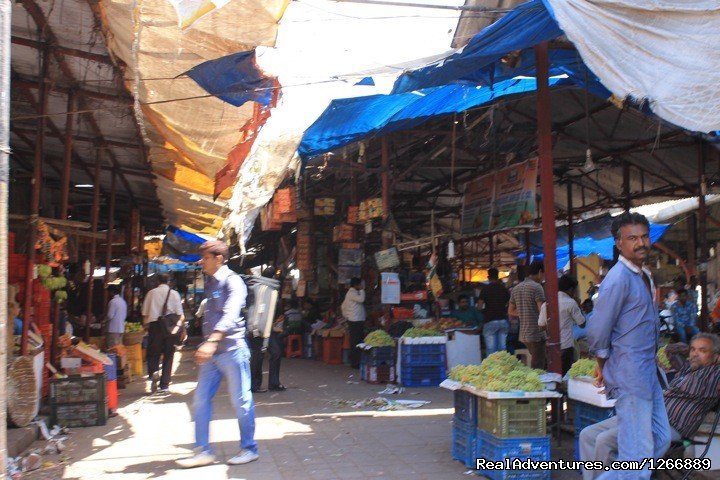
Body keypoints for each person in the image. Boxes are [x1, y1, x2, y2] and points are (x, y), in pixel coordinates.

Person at [588, 212, 671, 480]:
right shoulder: (618, 279)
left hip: (648, 372)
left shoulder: (644, 275)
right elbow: (598, 332)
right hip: (630, 374)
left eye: (644, 236)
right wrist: (603, 366)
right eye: (632, 238)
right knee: (637, 456)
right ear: (619, 243)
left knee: (661, 438)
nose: (640, 243)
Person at [580, 333, 720, 480]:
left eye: (703, 351)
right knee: (588, 434)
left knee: (605, 440)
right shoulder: (687, 369)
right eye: (693, 349)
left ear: (716, 356)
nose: (695, 354)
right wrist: (693, 353)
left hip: (669, 426)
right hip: (645, 414)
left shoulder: (715, 374)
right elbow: (671, 350)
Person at [177, 240, 258, 468]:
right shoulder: (211, 282)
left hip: (232, 350)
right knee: (200, 400)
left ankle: (249, 448)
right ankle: (203, 450)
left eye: (205, 258)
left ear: (219, 259)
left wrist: (211, 340)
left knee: (241, 401)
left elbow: (231, 313)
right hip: (212, 354)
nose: (201, 262)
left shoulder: (234, 282)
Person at [142, 273, 184, 394]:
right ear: (168, 281)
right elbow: (180, 314)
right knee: (169, 354)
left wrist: (146, 327)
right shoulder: (175, 294)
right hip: (170, 327)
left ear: (157, 281)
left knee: (153, 353)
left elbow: (145, 314)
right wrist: (182, 330)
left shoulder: (151, 293)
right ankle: (164, 385)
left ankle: (153, 372)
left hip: (154, 326)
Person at [538, 275, 585, 375]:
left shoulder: (546, 304)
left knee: (553, 375)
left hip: (550, 347)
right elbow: (582, 324)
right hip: (566, 346)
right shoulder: (571, 303)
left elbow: (541, 326)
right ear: (571, 289)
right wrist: (579, 306)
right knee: (565, 376)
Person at [508, 261, 546, 369]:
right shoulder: (537, 287)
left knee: (534, 361)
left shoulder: (516, 288)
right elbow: (542, 310)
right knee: (538, 364)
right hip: (536, 332)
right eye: (544, 274)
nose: (543, 277)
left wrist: (524, 312)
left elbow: (510, 311)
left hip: (523, 334)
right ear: (540, 272)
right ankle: (537, 383)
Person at [477, 268, 511, 356]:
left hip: (490, 321)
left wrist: (485, 311)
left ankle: (493, 369)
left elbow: (479, 307)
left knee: (491, 350)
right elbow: (510, 304)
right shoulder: (504, 289)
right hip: (503, 321)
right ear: (498, 276)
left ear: (488, 277)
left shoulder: (485, 289)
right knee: (502, 349)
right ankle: (503, 368)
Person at [341, 277, 366, 370]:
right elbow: (362, 299)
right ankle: (355, 362)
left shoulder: (352, 293)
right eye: (360, 284)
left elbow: (343, 306)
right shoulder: (351, 293)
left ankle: (355, 361)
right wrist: (363, 289)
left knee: (356, 341)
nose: (361, 286)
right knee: (356, 342)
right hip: (355, 320)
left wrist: (347, 315)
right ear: (356, 285)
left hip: (356, 320)